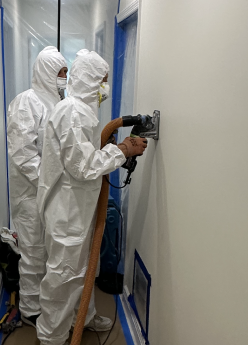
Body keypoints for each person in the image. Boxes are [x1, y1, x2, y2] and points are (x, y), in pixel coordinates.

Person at [36, 49, 147, 345]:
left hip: (78, 209)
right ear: (89, 79)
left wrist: (107, 147)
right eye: (102, 80)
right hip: (67, 213)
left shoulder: (82, 110)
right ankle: (51, 338)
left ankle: (82, 317)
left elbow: (82, 155)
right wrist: (122, 150)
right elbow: (83, 166)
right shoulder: (72, 111)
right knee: (63, 278)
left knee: (85, 268)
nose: (105, 87)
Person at [6, 46, 68, 327]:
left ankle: (48, 304)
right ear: (46, 72)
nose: (64, 78)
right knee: (32, 252)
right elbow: (22, 153)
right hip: (31, 195)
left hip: (53, 193)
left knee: (51, 251)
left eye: (66, 73)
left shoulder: (58, 104)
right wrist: (49, 179)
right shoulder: (26, 103)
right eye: (60, 73)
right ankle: (31, 310)